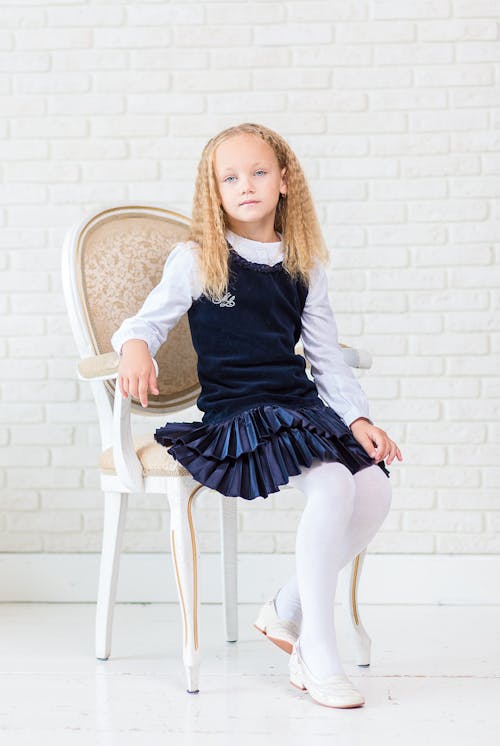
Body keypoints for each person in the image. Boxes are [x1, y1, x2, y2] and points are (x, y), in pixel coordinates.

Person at [111, 122, 403, 709]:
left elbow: (325, 359)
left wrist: (358, 419)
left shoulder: (305, 265)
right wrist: (135, 346)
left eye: (260, 171)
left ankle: (286, 609)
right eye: (231, 176)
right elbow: (146, 322)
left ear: (284, 181)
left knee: (372, 490)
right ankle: (318, 656)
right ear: (213, 191)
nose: (246, 184)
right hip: (238, 412)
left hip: (297, 405)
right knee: (329, 485)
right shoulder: (197, 259)